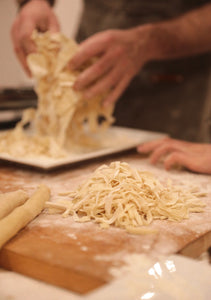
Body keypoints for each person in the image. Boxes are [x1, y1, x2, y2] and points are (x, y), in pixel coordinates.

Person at [11, 0, 211, 174]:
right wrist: (32, 1)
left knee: (165, 176)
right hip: (87, 70)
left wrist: (148, 41)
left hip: (176, 88)